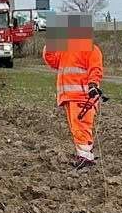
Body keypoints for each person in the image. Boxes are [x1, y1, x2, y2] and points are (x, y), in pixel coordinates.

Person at [42, 14, 104, 168]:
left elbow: (95, 69)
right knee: (76, 128)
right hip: (70, 97)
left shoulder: (91, 49)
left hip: (83, 97)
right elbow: (51, 60)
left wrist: (93, 85)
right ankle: (83, 156)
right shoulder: (66, 49)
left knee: (81, 127)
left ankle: (85, 158)